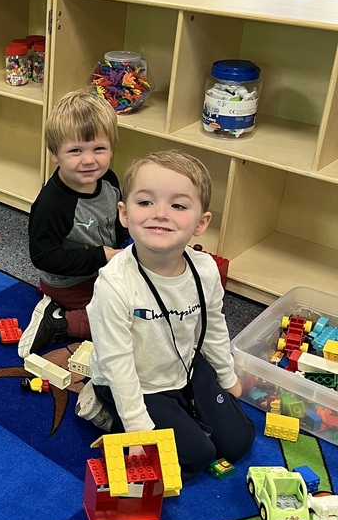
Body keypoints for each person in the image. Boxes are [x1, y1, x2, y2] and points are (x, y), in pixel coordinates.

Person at [84, 150, 255, 482]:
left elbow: (213, 326)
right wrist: (136, 428)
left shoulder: (204, 270)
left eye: (178, 205)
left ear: (201, 223)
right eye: (145, 202)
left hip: (185, 368)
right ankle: (104, 407)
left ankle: (185, 413)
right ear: (124, 213)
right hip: (134, 382)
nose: (160, 214)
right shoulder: (114, 285)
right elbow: (118, 362)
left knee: (237, 443)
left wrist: (226, 375)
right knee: (195, 458)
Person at [18, 91, 127, 357]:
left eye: (99, 149)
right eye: (75, 150)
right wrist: (103, 256)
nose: (89, 160)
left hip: (104, 268)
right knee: (126, 320)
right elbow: (43, 256)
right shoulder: (52, 203)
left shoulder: (108, 179)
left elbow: (117, 224)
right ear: (55, 154)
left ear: (111, 148)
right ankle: (59, 321)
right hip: (71, 283)